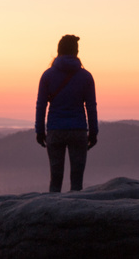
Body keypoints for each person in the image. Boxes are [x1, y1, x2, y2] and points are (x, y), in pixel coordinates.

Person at [35, 34, 98, 192]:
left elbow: (41, 105)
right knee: (77, 181)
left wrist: (40, 131)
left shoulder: (47, 76)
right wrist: (93, 132)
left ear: (58, 51)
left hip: (55, 130)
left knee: (55, 179)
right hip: (78, 130)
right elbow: (91, 106)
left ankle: (51, 214)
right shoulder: (86, 77)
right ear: (76, 51)